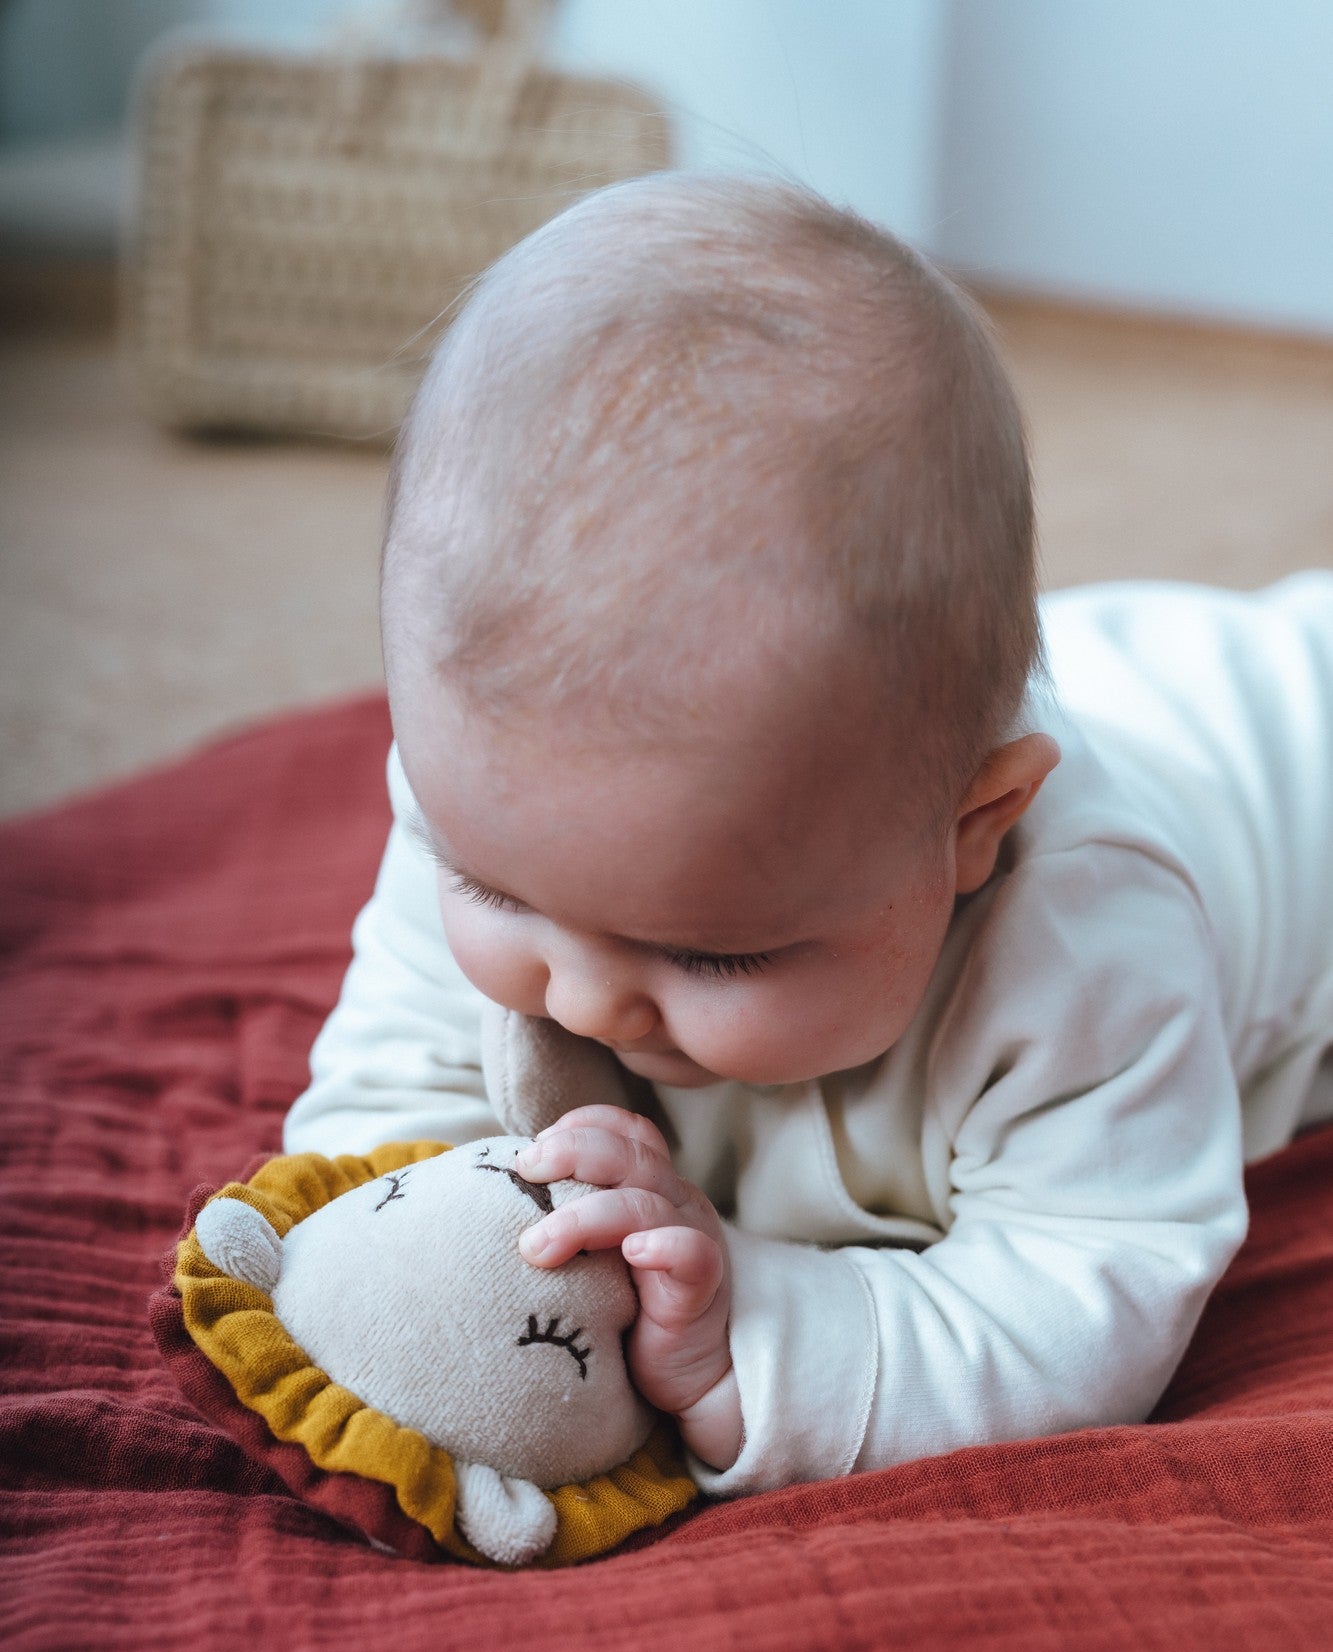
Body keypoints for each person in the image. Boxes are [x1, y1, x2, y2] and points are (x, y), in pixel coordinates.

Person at [284, 172, 1333, 1496]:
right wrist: (439, 1239)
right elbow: (381, 1132)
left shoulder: (1081, 942)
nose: (582, 999)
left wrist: (747, 1335)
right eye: (490, 892)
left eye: (711, 955)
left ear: (972, 831)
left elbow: (1084, 1298)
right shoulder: (505, 810)